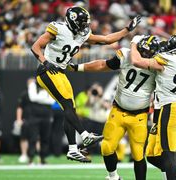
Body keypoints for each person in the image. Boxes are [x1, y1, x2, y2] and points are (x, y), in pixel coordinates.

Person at [31, 6, 141, 162]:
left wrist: (127, 29)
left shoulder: (82, 34)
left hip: (60, 72)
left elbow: (106, 39)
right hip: (47, 71)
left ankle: (72, 149)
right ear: (73, 20)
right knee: (68, 105)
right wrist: (44, 62)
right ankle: (85, 135)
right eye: (82, 22)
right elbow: (35, 46)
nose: (84, 26)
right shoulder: (58, 29)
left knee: (70, 108)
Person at [68, 35, 162, 180]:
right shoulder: (127, 55)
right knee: (106, 147)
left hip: (139, 116)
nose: (144, 56)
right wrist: (78, 67)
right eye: (142, 51)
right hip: (118, 110)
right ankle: (114, 177)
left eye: (147, 54)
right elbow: (102, 65)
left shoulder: (159, 65)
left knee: (138, 154)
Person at [130, 33, 176, 180]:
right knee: (160, 153)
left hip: (169, 108)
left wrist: (134, 42)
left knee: (168, 154)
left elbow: (137, 61)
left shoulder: (167, 60)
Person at [27, 80, 55, 164]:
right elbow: (32, 98)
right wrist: (45, 96)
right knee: (33, 138)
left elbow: (52, 100)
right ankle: (31, 159)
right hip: (34, 116)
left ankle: (42, 159)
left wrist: (39, 97)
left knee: (45, 138)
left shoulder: (50, 83)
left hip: (47, 115)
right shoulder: (33, 84)